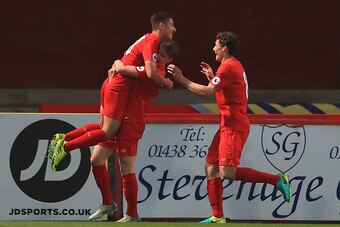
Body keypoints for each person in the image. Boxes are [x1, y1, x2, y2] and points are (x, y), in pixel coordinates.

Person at [167, 31, 292, 223]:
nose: (213, 48)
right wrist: (211, 76)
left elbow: (208, 92)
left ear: (224, 48)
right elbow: (221, 87)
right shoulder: (228, 66)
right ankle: (217, 216)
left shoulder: (228, 68)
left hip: (234, 126)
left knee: (227, 172)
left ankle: (278, 180)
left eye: (216, 45)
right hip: (227, 124)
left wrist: (181, 79)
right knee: (211, 166)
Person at [49, 39, 179, 222]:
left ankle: (132, 214)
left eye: (163, 56)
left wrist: (118, 64)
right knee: (96, 158)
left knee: (126, 167)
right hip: (122, 116)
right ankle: (108, 203)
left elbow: (125, 69)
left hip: (131, 122)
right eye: (157, 55)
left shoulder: (155, 72)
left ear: (169, 59)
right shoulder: (151, 69)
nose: (158, 58)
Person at [49, 11, 176, 170]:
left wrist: (119, 64)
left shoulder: (146, 39)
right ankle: (65, 147)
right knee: (108, 133)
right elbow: (150, 73)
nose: (174, 29)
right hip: (119, 88)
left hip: (112, 83)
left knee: (103, 130)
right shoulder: (152, 42)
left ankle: (63, 138)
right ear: (161, 26)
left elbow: (128, 63)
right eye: (172, 25)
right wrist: (166, 83)